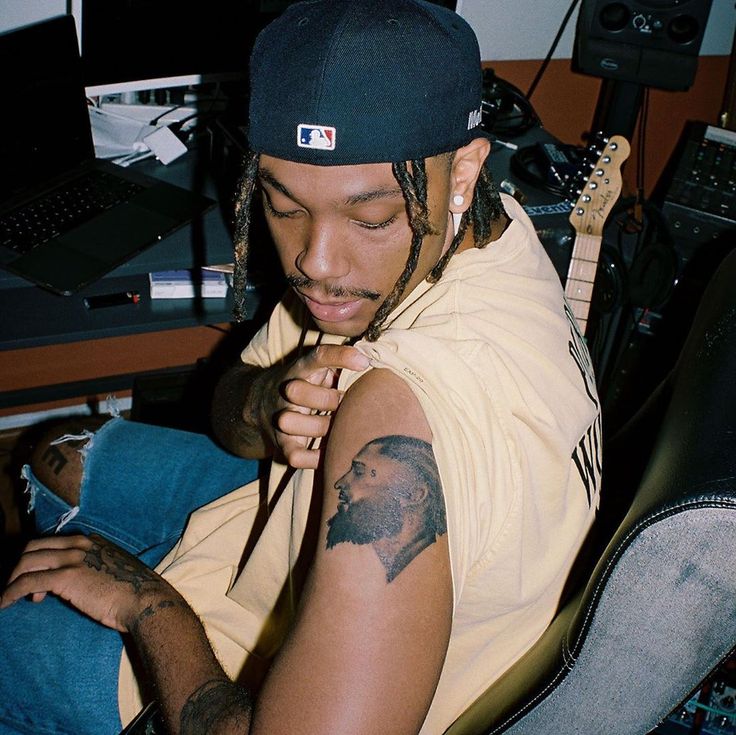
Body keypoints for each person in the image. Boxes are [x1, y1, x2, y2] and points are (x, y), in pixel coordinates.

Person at [0, 1, 603, 734]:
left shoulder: (403, 416)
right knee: (54, 460)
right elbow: (233, 410)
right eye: (283, 206)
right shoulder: (474, 237)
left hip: (290, 681)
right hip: (278, 528)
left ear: (465, 170)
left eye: (369, 217)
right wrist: (267, 404)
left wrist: (146, 604)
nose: (316, 263)